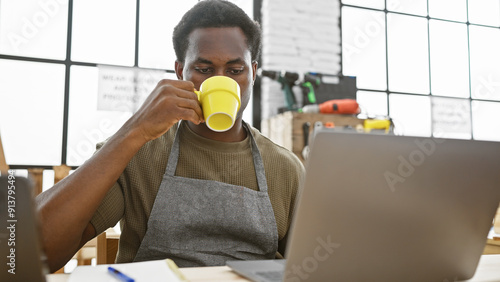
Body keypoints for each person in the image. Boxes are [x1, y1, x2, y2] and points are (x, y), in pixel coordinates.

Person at [36, 0, 304, 271]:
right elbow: (30, 255)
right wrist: (134, 130)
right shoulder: (138, 152)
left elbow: (314, 267)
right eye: (204, 70)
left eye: (235, 71)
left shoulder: (286, 169)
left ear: (254, 73)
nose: (222, 81)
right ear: (180, 72)